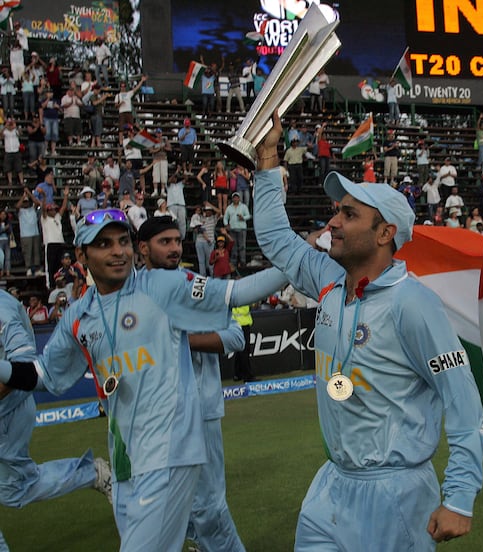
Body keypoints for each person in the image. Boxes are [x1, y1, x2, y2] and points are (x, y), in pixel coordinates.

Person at [252, 112, 483, 550]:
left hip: (396, 495)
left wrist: (459, 496)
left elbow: (463, 402)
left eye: (349, 214)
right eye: (337, 211)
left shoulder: (412, 304)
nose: (333, 223)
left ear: (385, 233)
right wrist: (268, 159)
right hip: (331, 486)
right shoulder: (327, 278)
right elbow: (275, 238)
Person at [0, 208, 293, 551]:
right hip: (125, 456)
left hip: (172, 450)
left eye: (122, 241)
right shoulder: (79, 315)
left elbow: (237, 294)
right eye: (104, 244)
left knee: (202, 516)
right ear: (82, 256)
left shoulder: (163, 285)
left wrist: (297, 261)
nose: (118, 252)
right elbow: (41, 374)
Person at [135, 217, 285, 551]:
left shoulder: (196, 284)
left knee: (209, 504)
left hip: (199, 409)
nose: (175, 248)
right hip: (152, 416)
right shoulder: (131, 290)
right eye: (165, 242)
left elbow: (235, 337)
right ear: (143, 249)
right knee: (163, 502)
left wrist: (181, 339)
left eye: (177, 241)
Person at [0, 289, 112, 551]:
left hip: (8, 412)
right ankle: (90, 473)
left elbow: (23, 366)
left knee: (17, 488)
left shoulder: (3, 310)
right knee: (14, 490)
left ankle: (90, 473)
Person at [223, 191, 251, 269]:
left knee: (242, 246)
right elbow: (225, 217)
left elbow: (248, 215)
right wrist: (226, 224)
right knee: (233, 246)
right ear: (232, 199)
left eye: (237, 197)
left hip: (241, 228)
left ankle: (242, 262)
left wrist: (243, 218)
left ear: (239, 198)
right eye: (234, 197)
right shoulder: (229, 207)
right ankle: (234, 262)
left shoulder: (243, 206)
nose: (235, 199)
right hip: (232, 228)